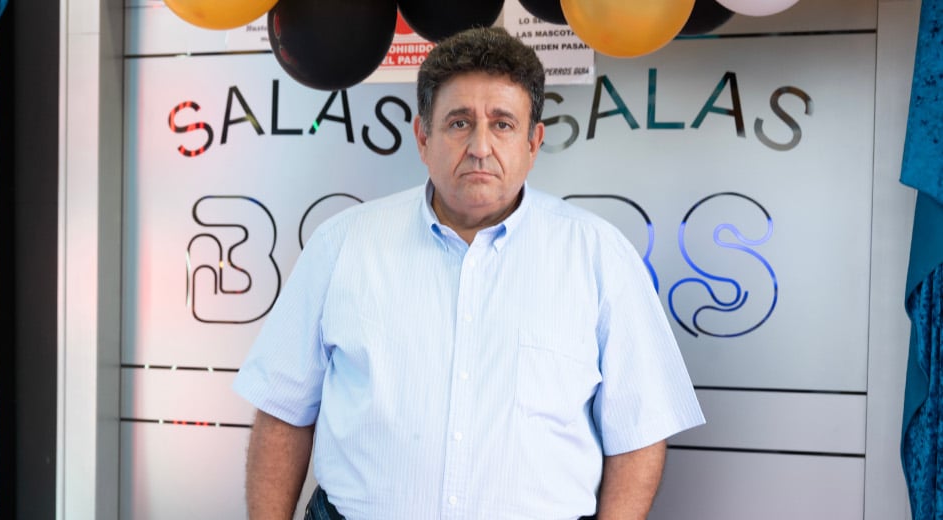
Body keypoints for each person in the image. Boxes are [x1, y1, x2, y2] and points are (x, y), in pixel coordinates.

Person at [233, 26, 704, 520]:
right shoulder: (341, 244)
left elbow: (638, 435)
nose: (480, 146)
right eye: (459, 123)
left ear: (533, 142)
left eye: (502, 124)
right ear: (423, 137)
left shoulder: (600, 256)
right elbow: (283, 412)